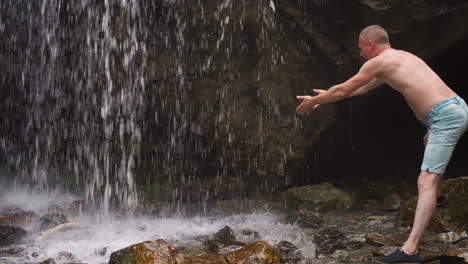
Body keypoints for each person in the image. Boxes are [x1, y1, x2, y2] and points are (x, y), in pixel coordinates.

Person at [296, 25, 468, 264]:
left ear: (371, 45)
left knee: (425, 181)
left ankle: (410, 251)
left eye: (361, 48)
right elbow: (361, 87)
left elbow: (345, 87)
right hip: (455, 107)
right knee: (430, 159)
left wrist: (317, 100)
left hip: (444, 117)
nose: (360, 53)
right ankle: (438, 205)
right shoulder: (400, 57)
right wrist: (328, 96)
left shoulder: (377, 62)